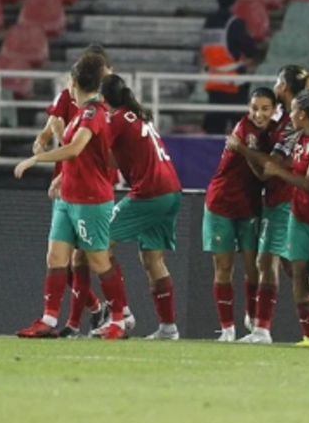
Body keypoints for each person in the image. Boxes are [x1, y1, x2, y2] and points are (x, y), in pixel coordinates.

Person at [14, 53, 129, 340]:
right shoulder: (80, 111)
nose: (67, 84)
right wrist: (62, 176)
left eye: (69, 78)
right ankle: (49, 319)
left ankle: (118, 319)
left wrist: (35, 160)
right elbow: (84, 157)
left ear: (76, 81)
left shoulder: (93, 112)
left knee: (99, 262)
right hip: (68, 198)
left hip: (91, 200)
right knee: (55, 257)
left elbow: (76, 149)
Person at [34, 45, 112, 337]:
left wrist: (38, 156)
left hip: (91, 186)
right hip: (68, 181)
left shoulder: (100, 106)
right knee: (61, 257)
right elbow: (55, 120)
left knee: (87, 259)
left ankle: (106, 316)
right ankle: (88, 311)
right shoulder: (69, 97)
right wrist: (43, 138)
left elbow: (94, 145)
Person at [256, 90, 309, 347]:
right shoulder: (299, 139)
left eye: (293, 110)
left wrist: (277, 172)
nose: (289, 115)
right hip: (299, 214)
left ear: (303, 114)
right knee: (298, 271)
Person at [101, 74, 184, 340]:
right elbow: (116, 159)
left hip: (150, 192)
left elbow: (99, 154)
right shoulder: (137, 116)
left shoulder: (114, 120)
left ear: (104, 100)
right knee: (152, 259)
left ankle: (122, 314)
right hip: (171, 190)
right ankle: (168, 328)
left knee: (100, 243)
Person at [202, 87, 276, 341]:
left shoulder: (270, 133)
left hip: (249, 206)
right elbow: (263, 171)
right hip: (221, 204)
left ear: (274, 110)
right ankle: (227, 329)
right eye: (254, 108)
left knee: (254, 268)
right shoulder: (246, 132)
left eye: (265, 108)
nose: (259, 113)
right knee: (223, 267)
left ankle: (252, 318)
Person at [202, 0, 259, 135]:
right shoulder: (235, 24)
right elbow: (251, 50)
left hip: (213, 83)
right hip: (233, 85)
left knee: (212, 134)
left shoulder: (209, 23)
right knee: (240, 134)